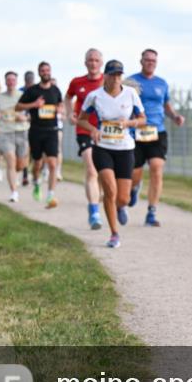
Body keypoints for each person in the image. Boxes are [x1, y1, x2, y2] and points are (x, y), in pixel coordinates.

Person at [77, 60, 145, 249]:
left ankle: (121, 206)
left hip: (125, 148)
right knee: (109, 190)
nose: (116, 78)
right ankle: (114, 233)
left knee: (122, 198)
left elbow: (142, 118)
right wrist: (93, 129)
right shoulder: (95, 96)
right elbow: (81, 120)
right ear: (105, 76)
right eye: (113, 74)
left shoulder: (130, 94)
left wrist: (129, 123)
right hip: (103, 147)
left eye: (119, 75)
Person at [126, 48, 185, 227]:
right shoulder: (131, 82)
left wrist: (175, 116)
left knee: (156, 169)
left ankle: (151, 212)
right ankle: (135, 188)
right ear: (141, 61)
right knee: (135, 174)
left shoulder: (162, 83)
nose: (150, 62)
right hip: (136, 132)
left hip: (157, 132)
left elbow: (166, 105)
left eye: (153, 60)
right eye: (147, 60)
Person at [65, 48, 106, 229]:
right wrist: (70, 114)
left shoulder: (108, 81)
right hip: (84, 130)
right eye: (90, 60)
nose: (93, 63)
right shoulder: (77, 82)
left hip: (106, 132)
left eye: (96, 60)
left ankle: (98, 198)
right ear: (85, 62)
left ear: (101, 63)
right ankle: (94, 211)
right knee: (91, 171)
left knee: (104, 174)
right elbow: (68, 98)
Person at [16, 61, 63, 208]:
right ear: (39, 73)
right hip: (36, 131)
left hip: (52, 131)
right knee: (37, 163)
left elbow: (60, 104)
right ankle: (36, 183)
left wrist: (59, 109)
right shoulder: (32, 91)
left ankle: (50, 195)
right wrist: (33, 105)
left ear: (50, 72)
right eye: (43, 70)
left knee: (53, 163)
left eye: (47, 70)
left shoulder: (55, 90)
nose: (45, 73)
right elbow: (18, 107)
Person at [0, 72, 30, 202]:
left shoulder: (24, 96)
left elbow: (32, 112)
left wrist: (25, 117)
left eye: (13, 80)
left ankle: (16, 173)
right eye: (8, 80)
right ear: (5, 82)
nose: (11, 82)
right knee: (10, 160)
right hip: (5, 133)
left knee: (21, 165)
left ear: (16, 82)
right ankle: (14, 192)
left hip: (21, 132)